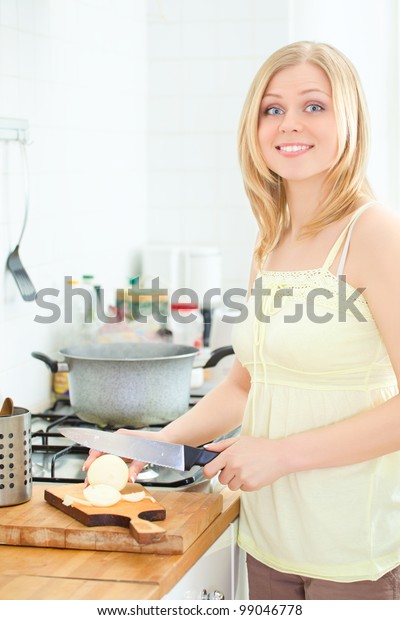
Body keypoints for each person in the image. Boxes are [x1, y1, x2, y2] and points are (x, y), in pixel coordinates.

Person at [84, 41, 400, 600]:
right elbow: (245, 384)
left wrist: (281, 454)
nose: (289, 124)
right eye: (272, 109)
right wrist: (154, 442)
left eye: (314, 106)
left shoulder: (374, 232)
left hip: (359, 552)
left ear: (349, 117)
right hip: (270, 541)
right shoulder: (271, 241)